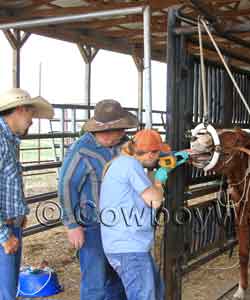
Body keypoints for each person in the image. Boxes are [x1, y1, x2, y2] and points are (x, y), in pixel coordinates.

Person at [58, 99, 137, 300]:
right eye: (119, 130)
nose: (122, 134)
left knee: (118, 277)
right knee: (95, 283)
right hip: (92, 225)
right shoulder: (81, 150)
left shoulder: (123, 145)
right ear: (105, 130)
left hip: (120, 223)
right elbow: (67, 186)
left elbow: (147, 157)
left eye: (122, 130)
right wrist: (72, 225)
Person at [100, 129, 172, 300]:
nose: (158, 157)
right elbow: (155, 200)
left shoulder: (123, 163)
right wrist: (160, 179)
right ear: (150, 154)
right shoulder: (129, 165)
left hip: (126, 245)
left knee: (155, 290)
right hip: (129, 248)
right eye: (158, 153)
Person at [0, 88, 54, 300]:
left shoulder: (9, 139)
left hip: (11, 223)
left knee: (9, 289)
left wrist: (20, 212)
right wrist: (4, 235)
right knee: (5, 292)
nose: (32, 121)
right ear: (21, 109)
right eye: (32, 114)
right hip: (4, 228)